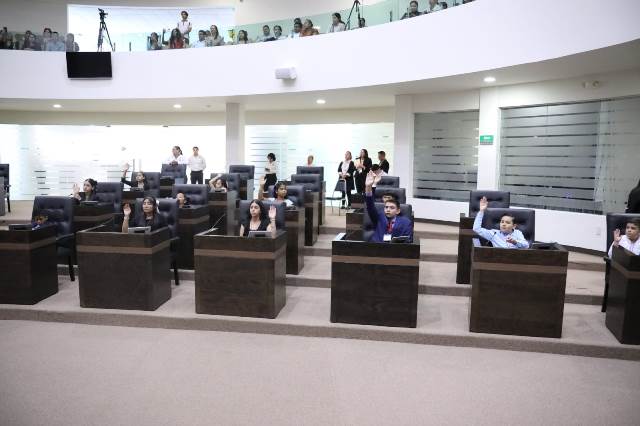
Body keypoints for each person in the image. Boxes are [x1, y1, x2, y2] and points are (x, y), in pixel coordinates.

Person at [364, 172, 413, 243]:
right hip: (376, 247)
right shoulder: (379, 217)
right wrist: (368, 187)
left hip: (394, 249)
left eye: (392, 208)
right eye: (386, 207)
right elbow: (370, 205)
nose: (388, 210)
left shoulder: (406, 222)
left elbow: (408, 240)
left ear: (398, 211)